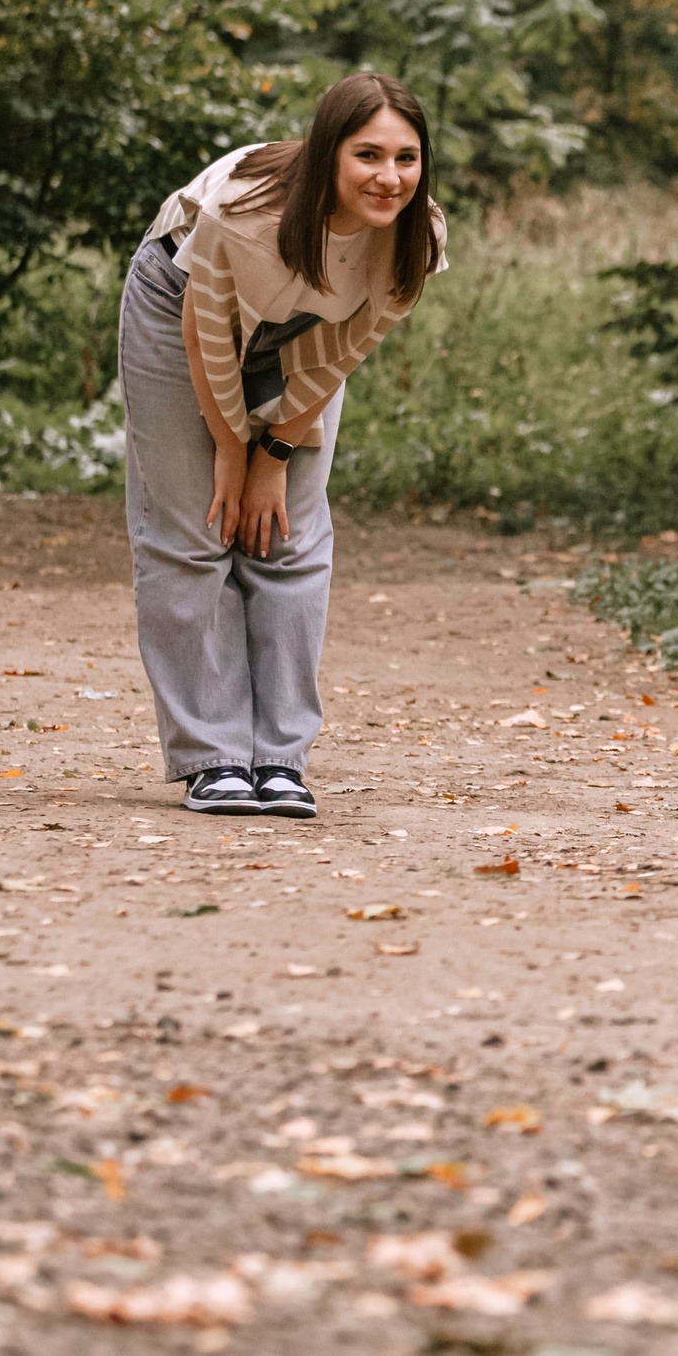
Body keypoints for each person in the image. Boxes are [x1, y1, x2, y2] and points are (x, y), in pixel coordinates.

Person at [117, 72, 446, 816]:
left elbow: (346, 349)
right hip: (181, 297)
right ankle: (215, 756)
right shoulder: (243, 211)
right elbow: (206, 332)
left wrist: (274, 458)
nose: (389, 177)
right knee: (198, 524)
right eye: (368, 155)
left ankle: (279, 760)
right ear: (328, 152)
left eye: (407, 157)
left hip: (307, 337)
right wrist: (233, 451)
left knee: (287, 534)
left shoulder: (416, 235)